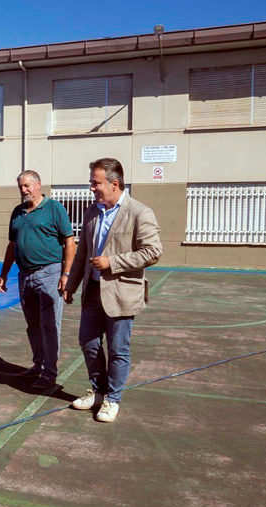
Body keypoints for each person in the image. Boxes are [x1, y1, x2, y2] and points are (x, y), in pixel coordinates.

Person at [63, 158, 162, 423]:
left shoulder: (140, 212)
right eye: (91, 183)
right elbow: (82, 251)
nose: (91, 188)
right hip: (92, 290)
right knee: (88, 342)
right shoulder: (92, 212)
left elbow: (153, 252)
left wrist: (113, 263)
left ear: (114, 183)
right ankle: (98, 391)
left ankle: (113, 399)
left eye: (95, 183)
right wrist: (71, 284)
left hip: (122, 292)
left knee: (119, 349)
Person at [0, 170, 76, 390]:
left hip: (49, 274)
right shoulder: (17, 212)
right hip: (25, 276)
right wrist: (4, 274)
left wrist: (66, 274)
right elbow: (13, 245)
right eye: (21, 187)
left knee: (50, 324)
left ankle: (50, 373)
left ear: (38, 185)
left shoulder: (54, 209)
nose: (24, 191)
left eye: (27, 186)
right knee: (33, 325)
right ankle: (38, 365)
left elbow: (70, 242)